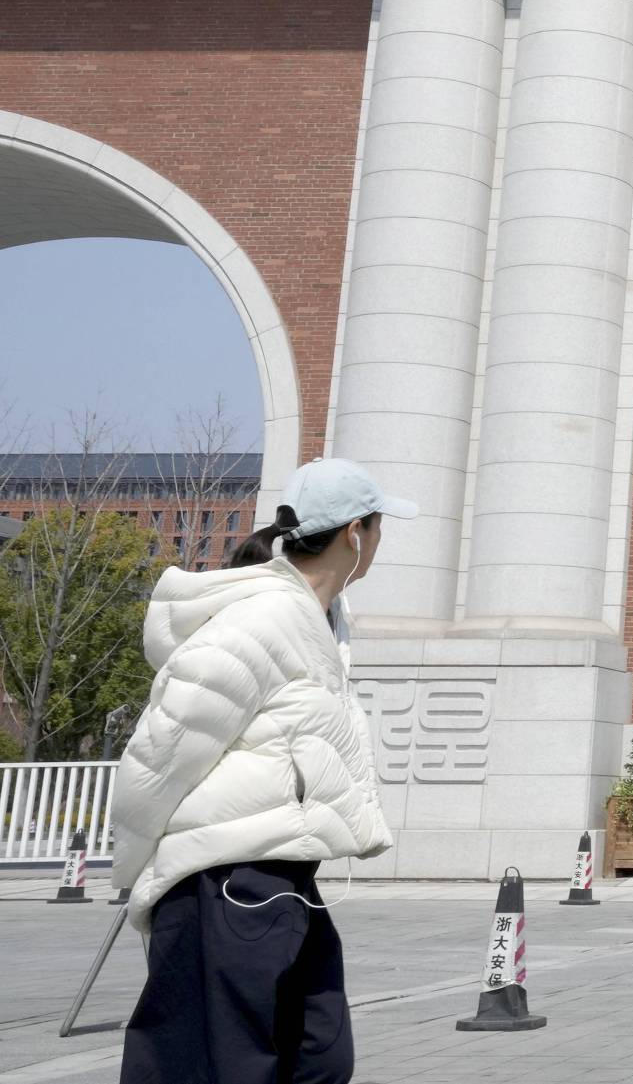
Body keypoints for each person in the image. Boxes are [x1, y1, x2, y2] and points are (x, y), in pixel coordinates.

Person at [113, 457, 410, 1084]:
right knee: (222, 1067)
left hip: (281, 876)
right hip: (222, 879)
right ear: (355, 532)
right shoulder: (261, 620)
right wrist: (141, 873)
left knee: (320, 1059)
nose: (382, 542)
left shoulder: (323, 621)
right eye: (380, 527)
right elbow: (160, 750)